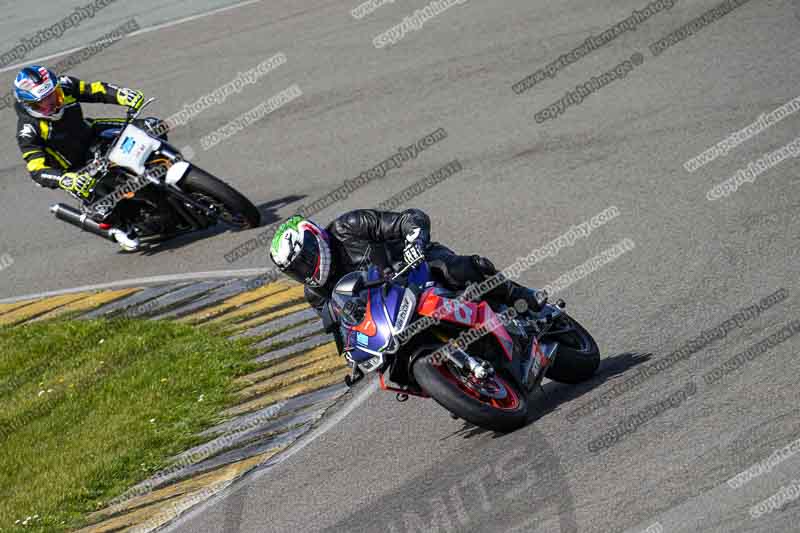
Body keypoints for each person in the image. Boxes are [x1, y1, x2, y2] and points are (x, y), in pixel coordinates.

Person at [269, 209, 545, 349]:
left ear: (314, 238)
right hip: (391, 314)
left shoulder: (349, 226)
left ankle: (520, 296)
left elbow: (408, 219)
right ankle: (456, 379)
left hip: (417, 271)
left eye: (304, 259)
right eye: (296, 270)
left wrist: (414, 238)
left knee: (460, 269)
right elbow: (344, 331)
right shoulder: (316, 294)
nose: (305, 271)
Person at [13, 65, 164, 201]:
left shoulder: (65, 85)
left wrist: (122, 95)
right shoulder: (27, 131)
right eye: (43, 102)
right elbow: (37, 170)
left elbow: (95, 89)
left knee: (153, 126)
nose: (53, 104)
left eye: (53, 95)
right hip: (77, 169)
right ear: (29, 106)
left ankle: (162, 166)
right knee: (107, 202)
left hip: (93, 133)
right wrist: (64, 179)